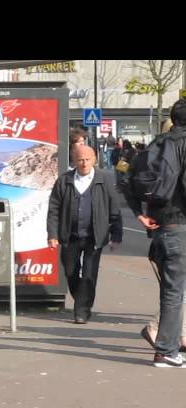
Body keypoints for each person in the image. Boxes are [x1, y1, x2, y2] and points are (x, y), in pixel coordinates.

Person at [125, 99, 186, 367]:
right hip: (181, 225)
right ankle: (165, 350)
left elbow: (126, 181)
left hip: (162, 227)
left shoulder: (156, 144)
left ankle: (168, 346)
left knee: (171, 290)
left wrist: (139, 213)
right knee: (174, 292)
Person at [47, 145, 122, 324]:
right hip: (69, 235)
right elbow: (54, 209)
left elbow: (115, 210)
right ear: (74, 161)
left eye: (87, 159)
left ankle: (82, 311)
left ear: (94, 159)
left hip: (94, 237)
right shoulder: (64, 181)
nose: (84, 163)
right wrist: (52, 234)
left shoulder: (104, 180)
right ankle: (82, 299)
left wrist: (116, 235)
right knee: (71, 272)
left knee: (89, 274)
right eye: (80, 160)